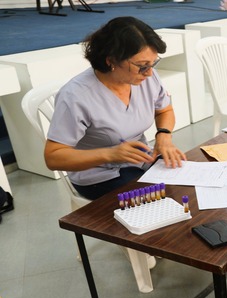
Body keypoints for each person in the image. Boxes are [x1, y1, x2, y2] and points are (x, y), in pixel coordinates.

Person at [45, 16, 187, 200]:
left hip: (140, 160)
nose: (150, 73)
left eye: (153, 64)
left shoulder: (147, 78)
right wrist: (110, 154)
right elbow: (53, 157)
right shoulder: (76, 96)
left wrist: (164, 135)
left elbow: (164, 110)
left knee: (185, 186)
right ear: (111, 60)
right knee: (158, 201)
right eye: (142, 66)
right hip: (98, 174)